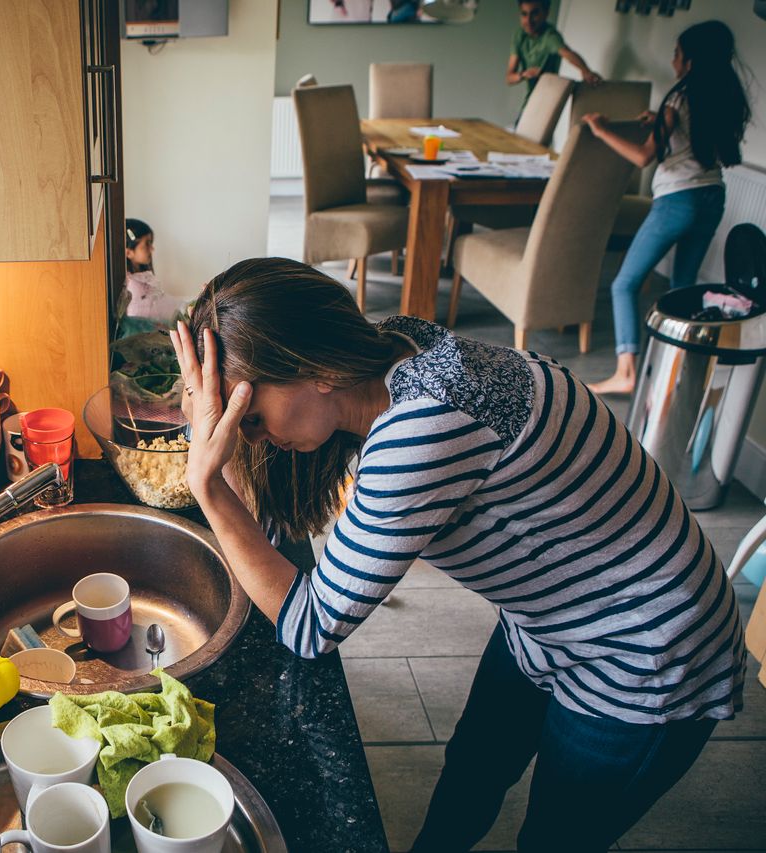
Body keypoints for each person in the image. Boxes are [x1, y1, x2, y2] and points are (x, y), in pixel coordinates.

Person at [170, 257, 744, 852]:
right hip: (547, 620)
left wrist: (207, 483)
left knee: (556, 836)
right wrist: (205, 430)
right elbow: (260, 535)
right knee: (473, 768)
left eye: (251, 417)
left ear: (317, 369)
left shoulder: (422, 427)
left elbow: (308, 625)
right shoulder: (400, 347)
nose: (251, 437)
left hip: (645, 649)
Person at [584, 20, 751, 395]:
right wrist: (659, 122)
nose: (673, 61)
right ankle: (678, 368)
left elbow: (644, 157)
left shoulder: (678, 99)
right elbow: (693, 137)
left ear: (690, 61)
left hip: (678, 200)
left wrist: (600, 130)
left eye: (677, 54)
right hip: (712, 197)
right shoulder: (720, 96)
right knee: (681, 286)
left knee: (625, 283)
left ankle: (626, 372)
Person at [506, 0, 601, 106]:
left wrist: (586, 71)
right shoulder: (519, 36)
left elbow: (567, 53)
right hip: (531, 99)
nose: (528, 20)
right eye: (524, 14)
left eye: (534, 14)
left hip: (548, 99)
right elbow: (509, 78)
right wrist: (524, 74)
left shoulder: (550, 37)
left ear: (546, 13)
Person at [117, 218, 184, 337]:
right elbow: (137, 313)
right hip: (144, 333)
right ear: (128, 252)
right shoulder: (131, 283)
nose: (152, 249)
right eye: (147, 244)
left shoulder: (143, 276)